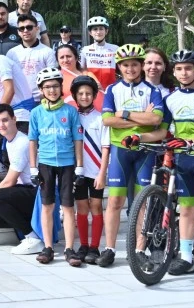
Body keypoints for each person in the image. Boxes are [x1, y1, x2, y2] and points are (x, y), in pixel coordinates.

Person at [140, 49, 194, 281]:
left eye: (188, 68)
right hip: (183, 160)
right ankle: (186, 257)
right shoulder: (170, 99)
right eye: (179, 68)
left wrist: (191, 142)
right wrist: (139, 137)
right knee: (187, 210)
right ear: (174, 72)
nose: (184, 72)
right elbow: (162, 131)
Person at [96, 44, 165, 268]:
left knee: (142, 202)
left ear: (141, 66)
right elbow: (107, 120)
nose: (131, 69)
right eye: (126, 65)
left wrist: (123, 114)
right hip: (120, 150)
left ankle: (139, 249)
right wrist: (140, 117)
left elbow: (155, 120)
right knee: (115, 201)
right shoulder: (112, 90)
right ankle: (109, 249)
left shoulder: (153, 90)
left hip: (144, 151)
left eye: (135, 64)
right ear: (119, 67)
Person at [27, 67, 83, 266]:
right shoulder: (36, 113)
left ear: (61, 88)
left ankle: (69, 248)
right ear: (41, 90)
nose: (52, 90)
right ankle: (48, 246)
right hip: (46, 164)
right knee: (47, 206)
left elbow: (78, 139)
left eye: (55, 86)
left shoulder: (70, 111)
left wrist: (80, 166)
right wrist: (33, 168)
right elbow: (32, 141)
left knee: (68, 207)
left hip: (68, 164)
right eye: (47, 87)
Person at [0, 105, 40, 254]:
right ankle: (34, 227)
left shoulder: (22, 142)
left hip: (37, 192)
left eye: (5, 120)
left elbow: (10, 181)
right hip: (24, 190)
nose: (1, 125)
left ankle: (32, 238)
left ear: (14, 119)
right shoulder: (9, 141)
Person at [70, 75, 107, 264]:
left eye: (88, 93)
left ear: (94, 95)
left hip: (96, 172)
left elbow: (106, 147)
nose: (84, 96)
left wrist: (102, 172)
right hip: (79, 172)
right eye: (81, 93)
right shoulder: (71, 116)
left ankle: (95, 247)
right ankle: (83, 245)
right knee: (82, 207)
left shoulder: (101, 118)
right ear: (75, 96)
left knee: (96, 206)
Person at [7, 14, 57, 115]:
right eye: (21, 28)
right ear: (18, 32)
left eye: (29, 27)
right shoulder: (11, 53)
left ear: (37, 28)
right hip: (19, 103)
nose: (25, 31)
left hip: (41, 101)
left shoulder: (48, 52)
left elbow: (52, 78)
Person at [81, 16, 119, 90]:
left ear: (106, 31)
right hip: (92, 89)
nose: (98, 32)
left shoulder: (115, 48)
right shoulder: (85, 50)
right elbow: (82, 70)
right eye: (95, 29)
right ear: (90, 32)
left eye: (101, 29)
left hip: (111, 89)